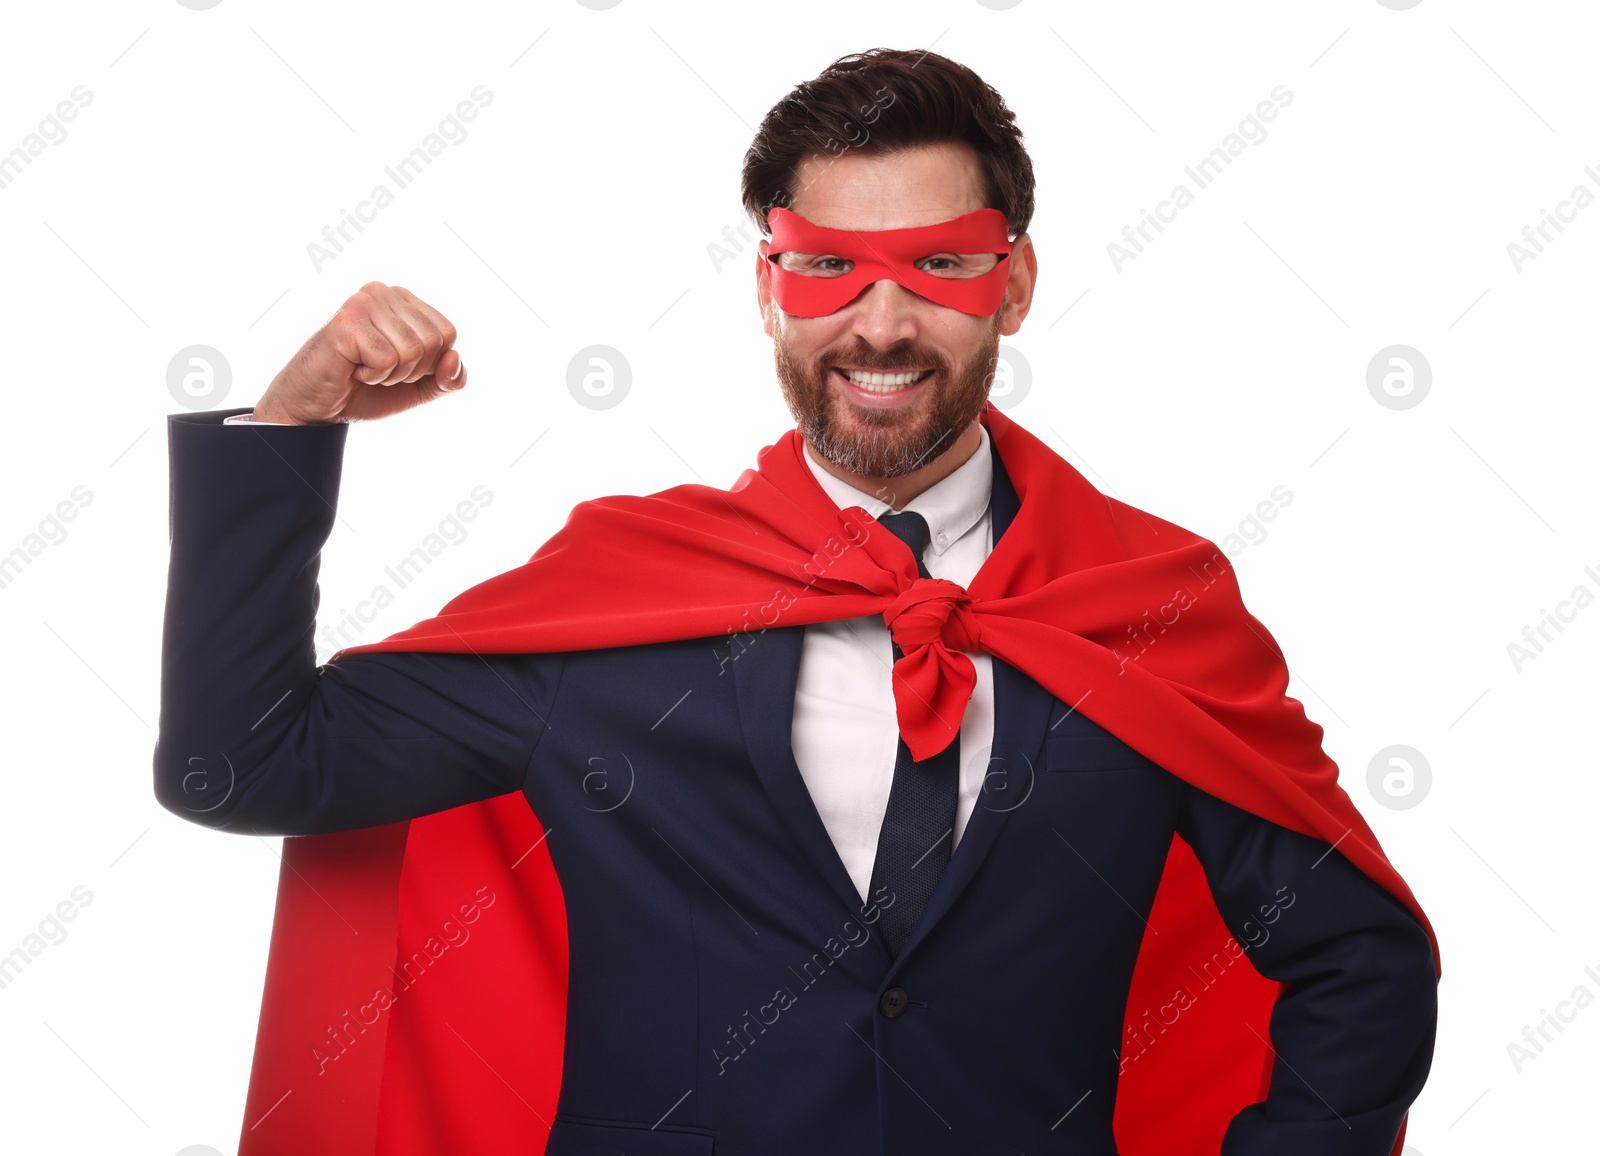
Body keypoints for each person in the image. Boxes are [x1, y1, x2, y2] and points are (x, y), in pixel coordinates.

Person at [155, 48, 1438, 1156]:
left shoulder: (1146, 606)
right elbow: (240, 764)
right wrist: (294, 418)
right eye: (826, 267)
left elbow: (1358, 958)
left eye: (939, 263)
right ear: (767, 285)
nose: (880, 325)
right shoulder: (623, 596)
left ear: (1016, 281)